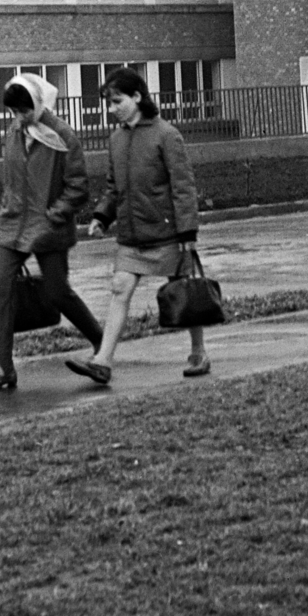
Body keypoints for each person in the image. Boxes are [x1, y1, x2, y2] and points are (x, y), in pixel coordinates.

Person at [67, 67, 207, 385]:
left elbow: (183, 187)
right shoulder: (116, 139)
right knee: (120, 289)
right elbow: (114, 186)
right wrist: (103, 216)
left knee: (185, 291)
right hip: (132, 235)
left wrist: (188, 232)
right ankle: (102, 361)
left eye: (117, 101)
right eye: (109, 103)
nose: (111, 109)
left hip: (170, 233)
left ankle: (198, 352)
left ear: (137, 97)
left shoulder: (167, 135)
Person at [0, 75, 102, 393]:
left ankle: (104, 344)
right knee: (1, 291)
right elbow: (10, 179)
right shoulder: (14, 132)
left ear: (39, 103)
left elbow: (79, 187)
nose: (19, 118)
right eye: (14, 112)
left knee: (57, 293)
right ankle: (4, 368)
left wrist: (55, 214)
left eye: (24, 111)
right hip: (13, 224)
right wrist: (7, 207)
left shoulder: (62, 135)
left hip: (48, 227)